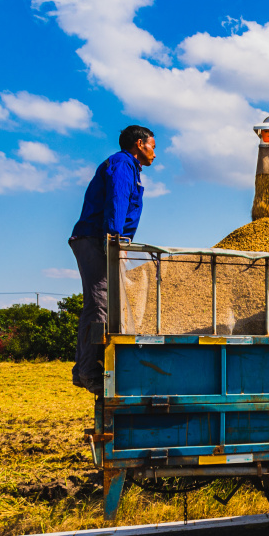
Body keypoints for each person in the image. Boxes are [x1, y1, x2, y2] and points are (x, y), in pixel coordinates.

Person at [69, 125, 156, 392]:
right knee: (100, 303)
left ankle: (83, 367)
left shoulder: (130, 167)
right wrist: (115, 239)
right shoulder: (122, 164)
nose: (155, 152)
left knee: (97, 304)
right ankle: (90, 369)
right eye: (153, 145)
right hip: (95, 239)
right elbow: (116, 201)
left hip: (98, 239)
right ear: (139, 144)